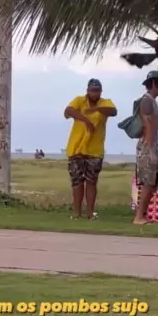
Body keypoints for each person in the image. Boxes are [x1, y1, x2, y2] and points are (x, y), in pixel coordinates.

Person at [64, 79, 117, 219]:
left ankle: (90, 213)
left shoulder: (105, 103)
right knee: (77, 182)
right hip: (76, 148)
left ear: (101, 91)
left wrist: (96, 109)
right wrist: (85, 120)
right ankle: (76, 212)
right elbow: (68, 111)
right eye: (92, 90)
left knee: (91, 181)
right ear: (87, 90)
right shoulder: (79, 100)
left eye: (97, 91)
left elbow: (113, 111)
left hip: (95, 150)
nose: (95, 93)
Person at [133, 70, 158, 225]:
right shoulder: (146, 101)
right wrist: (151, 149)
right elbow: (148, 126)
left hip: (152, 144)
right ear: (154, 84)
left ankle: (142, 215)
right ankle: (139, 216)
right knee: (148, 181)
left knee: (152, 181)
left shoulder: (152, 101)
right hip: (147, 145)